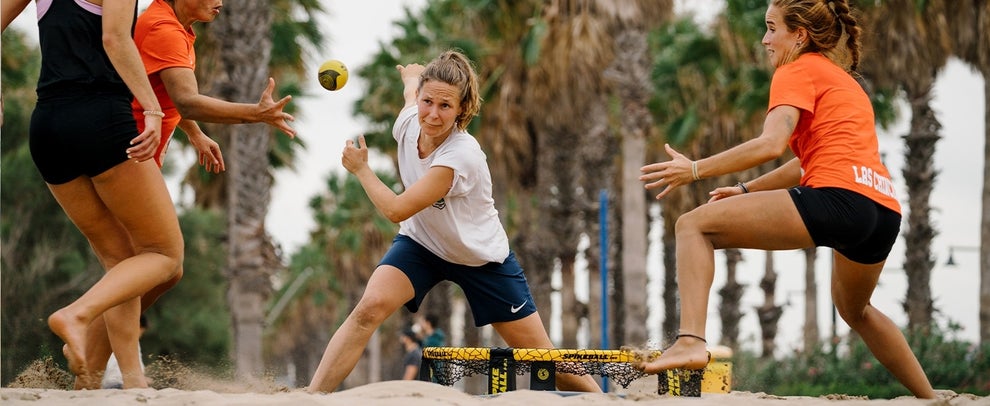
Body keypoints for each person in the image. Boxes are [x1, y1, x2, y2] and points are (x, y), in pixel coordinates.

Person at [633, 0, 935, 399]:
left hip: (838, 199)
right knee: (856, 311)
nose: (765, 39)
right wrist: (745, 190)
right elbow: (804, 162)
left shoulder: (795, 69)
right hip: (881, 210)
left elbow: (771, 143)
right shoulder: (845, 82)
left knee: (692, 225)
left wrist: (694, 170)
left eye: (772, 28)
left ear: (800, 34)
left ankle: (690, 341)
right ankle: (930, 396)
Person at [306, 50, 601, 394]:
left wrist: (361, 169)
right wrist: (410, 78)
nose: (432, 114)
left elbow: (396, 211)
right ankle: (312, 398)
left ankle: (603, 400)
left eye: (445, 106)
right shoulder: (407, 121)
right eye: (427, 101)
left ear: (462, 109)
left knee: (540, 357)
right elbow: (410, 90)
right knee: (368, 309)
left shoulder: (461, 154)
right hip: (422, 244)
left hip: (481, 259)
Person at [71, 0, 297, 388]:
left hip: (131, 154)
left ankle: (87, 373)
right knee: (146, 265)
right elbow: (186, 99)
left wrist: (193, 132)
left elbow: (161, 88)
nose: (220, 2)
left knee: (158, 273)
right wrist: (255, 114)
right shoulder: (164, 28)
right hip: (124, 153)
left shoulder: (175, 25)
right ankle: (118, 368)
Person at [1, 0, 183, 390]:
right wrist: (151, 109)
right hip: (101, 120)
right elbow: (115, 38)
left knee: (120, 259)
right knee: (165, 255)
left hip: (47, 126)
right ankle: (78, 314)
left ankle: (131, 382)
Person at [102, 315, 149, 389]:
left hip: (107, 383)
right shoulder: (131, 342)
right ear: (138, 326)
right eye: (142, 332)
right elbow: (135, 366)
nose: (141, 335)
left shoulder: (114, 339)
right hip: (120, 383)